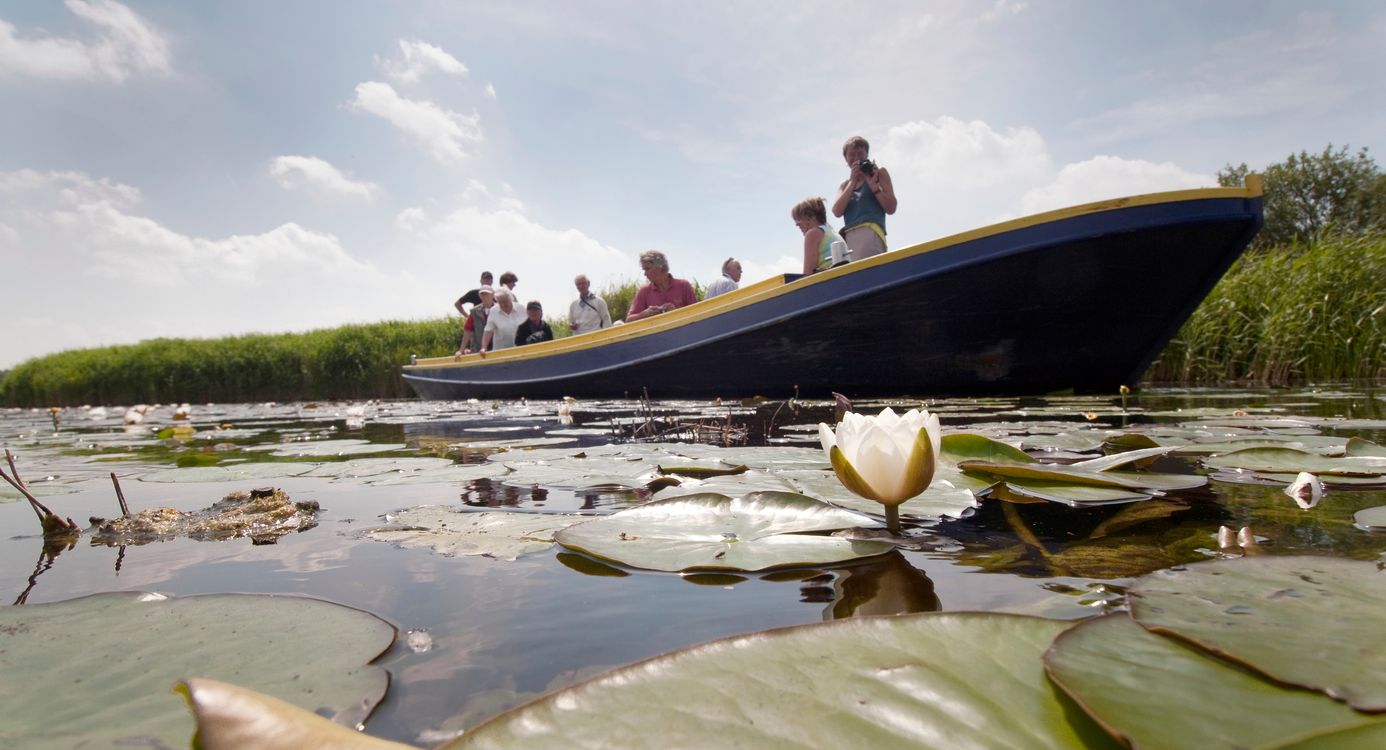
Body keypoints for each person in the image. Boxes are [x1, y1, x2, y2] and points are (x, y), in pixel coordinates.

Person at [831, 135, 897, 262]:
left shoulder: (879, 174)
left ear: (867, 155)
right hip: (849, 238)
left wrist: (874, 187)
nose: (856, 158)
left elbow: (891, 208)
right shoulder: (845, 185)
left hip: (870, 231)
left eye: (860, 154)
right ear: (846, 159)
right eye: (851, 155)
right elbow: (837, 211)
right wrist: (852, 181)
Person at [626, 250, 697, 322]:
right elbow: (629, 320)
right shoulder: (644, 291)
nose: (645, 274)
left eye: (647, 269)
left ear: (660, 268)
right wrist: (644, 314)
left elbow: (697, 313)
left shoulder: (683, 286)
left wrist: (676, 312)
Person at [793, 197, 846, 275]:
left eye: (798, 219)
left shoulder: (813, 233)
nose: (797, 225)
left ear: (811, 217)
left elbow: (808, 273)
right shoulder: (831, 231)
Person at [456, 286, 495, 356]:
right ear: (479, 296)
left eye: (487, 294)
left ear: (493, 295)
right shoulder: (474, 312)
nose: (485, 296)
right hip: (479, 351)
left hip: (497, 349)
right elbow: (467, 331)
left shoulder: (499, 309)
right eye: (482, 294)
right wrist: (461, 350)